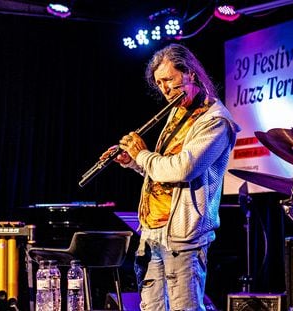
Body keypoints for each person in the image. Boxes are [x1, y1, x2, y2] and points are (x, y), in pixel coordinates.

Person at [100, 43, 240, 311]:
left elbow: (183, 169)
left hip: (184, 237)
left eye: (169, 80)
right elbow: (163, 171)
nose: (164, 90)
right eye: (159, 83)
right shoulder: (178, 112)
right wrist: (133, 163)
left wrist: (142, 155)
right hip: (153, 232)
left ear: (190, 74)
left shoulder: (216, 121)